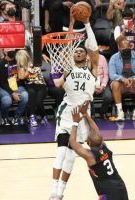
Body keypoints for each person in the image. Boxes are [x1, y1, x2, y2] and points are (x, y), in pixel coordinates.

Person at [49, 7, 99, 200]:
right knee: (61, 154)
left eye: (81, 51)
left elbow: (93, 48)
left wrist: (86, 23)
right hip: (67, 113)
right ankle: (53, 191)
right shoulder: (68, 68)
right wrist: (71, 23)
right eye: (75, 51)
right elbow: (69, 45)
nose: (78, 52)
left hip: (84, 117)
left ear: (85, 56)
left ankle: (60, 193)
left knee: (70, 158)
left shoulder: (92, 68)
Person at [69, 101, 129, 200]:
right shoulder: (104, 146)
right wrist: (85, 114)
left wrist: (75, 122)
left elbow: (72, 142)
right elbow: (96, 130)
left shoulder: (90, 156)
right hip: (120, 185)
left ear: (89, 143)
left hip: (108, 191)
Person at [109, 39, 135, 121]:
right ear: (119, 48)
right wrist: (122, 79)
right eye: (122, 49)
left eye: (127, 49)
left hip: (134, 83)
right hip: (121, 85)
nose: (124, 51)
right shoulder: (114, 58)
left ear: (131, 47)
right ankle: (120, 111)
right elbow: (112, 75)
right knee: (115, 84)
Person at [15, 49, 47, 127]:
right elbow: (21, 77)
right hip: (30, 85)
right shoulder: (21, 67)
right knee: (31, 94)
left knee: (38, 101)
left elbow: (38, 54)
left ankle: (43, 116)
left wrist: (43, 55)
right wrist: (28, 69)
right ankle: (32, 116)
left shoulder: (35, 62)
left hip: (41, 85)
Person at [0, 49, 28, 125]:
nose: (11, 50)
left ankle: (17, 117)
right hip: (4, 87)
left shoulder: (18, 60)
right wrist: (12, 93)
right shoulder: (0, 64)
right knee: (7, 101)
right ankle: (4, 117)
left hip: (17, 86)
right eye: (8, 49)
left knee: (25, 96)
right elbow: (2, 82)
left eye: (12, 48)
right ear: (4, 51)